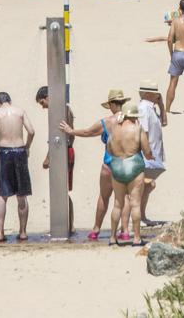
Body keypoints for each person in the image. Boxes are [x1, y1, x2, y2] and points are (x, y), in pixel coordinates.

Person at [60, 89, 128, 241]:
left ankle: (96, 229)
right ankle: (125, 230)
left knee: (104, 197)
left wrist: (70, 131)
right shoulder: (130, 120)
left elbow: (87, 132)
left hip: (109, 163)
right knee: (125, 198)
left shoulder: (107, 122)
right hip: (125, 164)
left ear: (112, 104)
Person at [0, 91, 35, 242]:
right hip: (20, 151)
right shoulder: (20, 111)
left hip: (4, 152)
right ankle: (23, 232)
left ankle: (0, 233)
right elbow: (31, 131)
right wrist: (27, 146)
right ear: (10, 101)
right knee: (22, 194)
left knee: (3, 194)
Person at [106, 102, 153, 246]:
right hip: (134, 166)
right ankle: (137, 238)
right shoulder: (137, 129)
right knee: (135, 204)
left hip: (117, 166)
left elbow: (109, 150)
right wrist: (151, 156)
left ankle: (112, 238)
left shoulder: (114, 129)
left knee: (117, 204)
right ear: (133, 116)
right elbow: (147, 151)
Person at [36, 85, 75, 229]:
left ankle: (65, 225)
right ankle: (69, 225)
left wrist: (48, 157)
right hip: (67, 150)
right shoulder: (66, 109)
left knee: (61, 190)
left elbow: (57, 138)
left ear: (48, 97)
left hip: (63, 152)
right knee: (64, 190)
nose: (43, 107)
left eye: (42, 103)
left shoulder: (59, 111)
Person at [136, 82, 167, 227]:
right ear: (148, 93)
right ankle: (138, 218)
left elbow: (164, 122)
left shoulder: (151, 108)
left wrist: (162, 106)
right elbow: (144, 133)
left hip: (153, 153)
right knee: (145, 186)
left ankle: (141, 216)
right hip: (147, 154)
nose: (158, 95)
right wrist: (146, 153)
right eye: (156, 93)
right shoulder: (143, 108)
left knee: (148, 186)